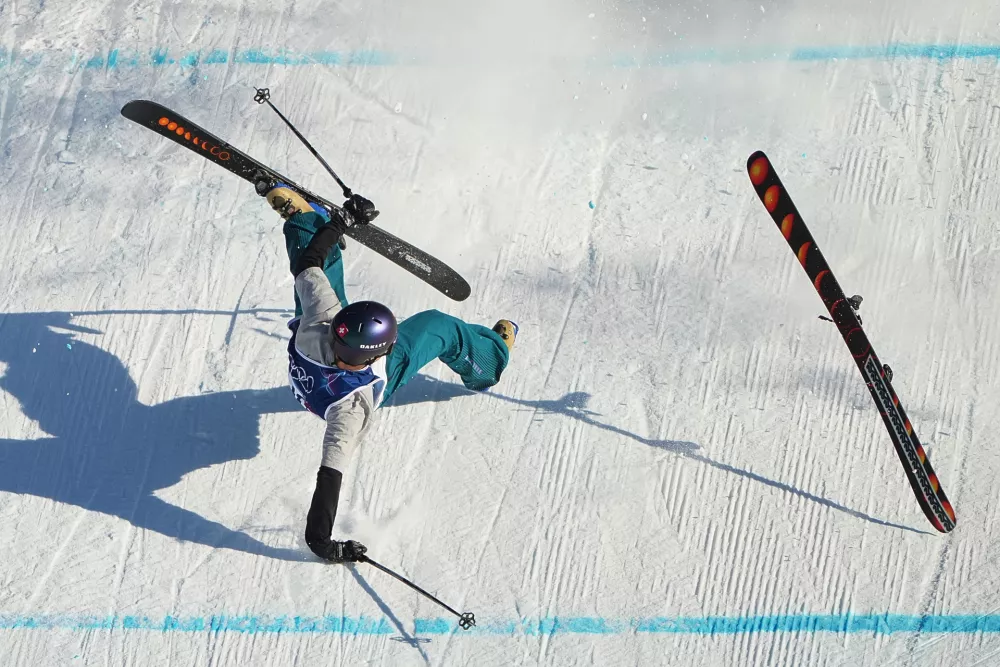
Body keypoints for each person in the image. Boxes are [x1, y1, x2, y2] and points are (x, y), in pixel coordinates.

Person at [258, 178, 517, 563]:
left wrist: (339, 222)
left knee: (315, 266)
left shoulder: (322, 318)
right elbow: (329, 482)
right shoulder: (352, 413)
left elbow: (307, 264)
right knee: (437, 326)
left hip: (315, 359)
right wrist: (327, 547)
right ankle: (488, 362)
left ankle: (305, 221)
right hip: (344, 391)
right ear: (381, 351)